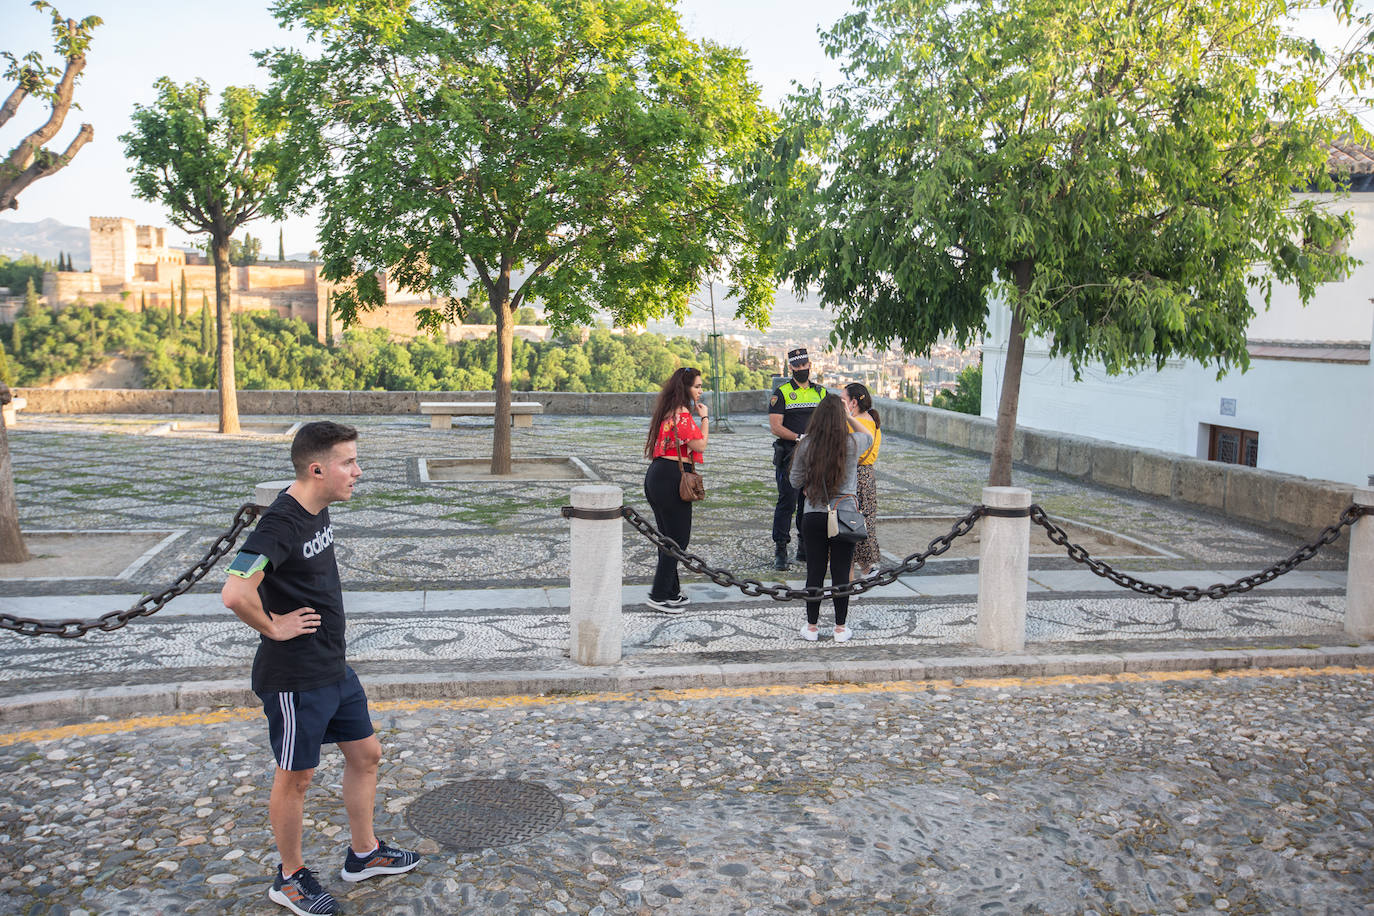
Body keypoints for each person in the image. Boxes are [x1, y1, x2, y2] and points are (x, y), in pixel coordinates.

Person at [221, 421, 421, 916]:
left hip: (333, 665)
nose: (358, 471)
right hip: (294, 678)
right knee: (297, 776)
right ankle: (289, 878)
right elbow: (234, 591)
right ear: (317, 469)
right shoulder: (280, 525)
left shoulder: (317, 505)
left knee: (367, 754)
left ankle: (364, 854)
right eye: (348, 463)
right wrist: (272, 626)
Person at [788, 395, 872, 642]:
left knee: (814, 571)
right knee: (840, 570)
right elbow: (868, 434)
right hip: (844, 515)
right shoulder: (853, 443)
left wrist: (807, 485)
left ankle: (812, 627)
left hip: (814, 513)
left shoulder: (806, 444)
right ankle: (840, 628)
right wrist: (849, 416)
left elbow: (794, 481)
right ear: (839, 418)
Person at [643, 367, 709, 613]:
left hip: (658, 475)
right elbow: (700, 444)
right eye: (697, 386)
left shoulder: (667, 410)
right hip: (671, 478)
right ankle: (659, 595)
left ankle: (672, 592)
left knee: (668, 537)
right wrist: (705, 419)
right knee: (678, 540)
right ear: (685, 388)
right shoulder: (681, 413)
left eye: (701, 386)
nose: (700, 390)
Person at [769, 347, 826, 570]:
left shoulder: (821, 392)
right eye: (798, 366)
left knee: (809, 503)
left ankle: (805, 546)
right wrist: (799, 438)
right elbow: (775, 426)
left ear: (809, 365)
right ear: (791, 367)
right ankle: (781, 549)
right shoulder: (781, 393)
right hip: (790, 456)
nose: (803, 369)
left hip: (815, 457)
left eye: (805, 365)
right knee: (787, 502)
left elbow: (828, 419)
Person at [843, 382, 882, 578]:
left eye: (844, 400)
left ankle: (859, 569)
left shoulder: (858, 424)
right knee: (862, 521)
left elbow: (848, 451)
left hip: (854, 475)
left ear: (854, 402)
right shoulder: (871, 421)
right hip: (867, 475)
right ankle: (865, 566)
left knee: (850, 522)